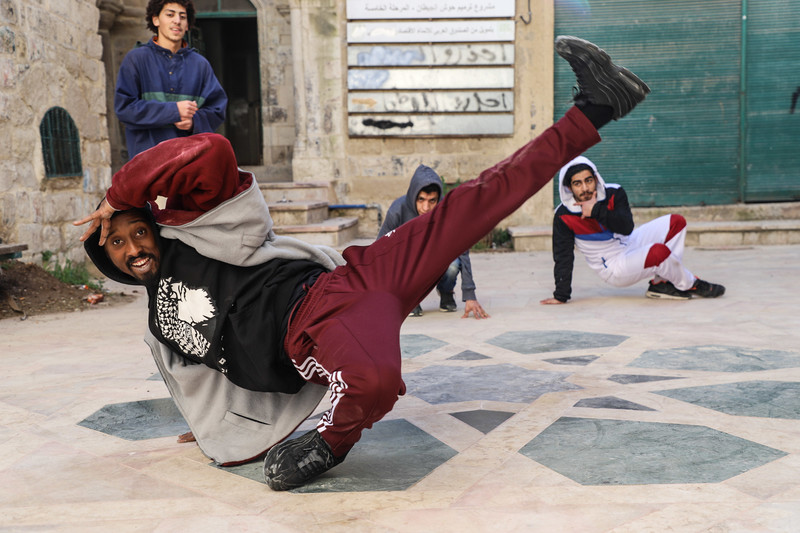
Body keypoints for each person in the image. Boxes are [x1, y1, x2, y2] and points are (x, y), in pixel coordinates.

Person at [75, 36, 648, 491]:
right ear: (113, 265)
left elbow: (212, 150)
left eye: (135, 231)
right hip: (315, 337)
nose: (132, 247)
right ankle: (331, 444)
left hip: (344, 283)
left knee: (473, 201)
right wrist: (210, 432)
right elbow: (201, 384)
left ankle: (595, 107)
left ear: (154, 225)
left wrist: (122, 190)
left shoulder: (195, 235)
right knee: (372, 379)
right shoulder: (160, 323)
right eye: (118, 247)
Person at [540, 156, 726, 305]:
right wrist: (561, 295)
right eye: (577, 183)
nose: (585, 188)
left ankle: (661, 284)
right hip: (613, 266)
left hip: (630, 241)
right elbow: (563, 255)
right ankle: (690, 284)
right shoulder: (563, 215)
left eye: (588, 180)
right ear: (569, 187)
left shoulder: (614, 192)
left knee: (676, 222)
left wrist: (596, 210)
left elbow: (627, 227)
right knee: (658, 253)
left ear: (596, 178)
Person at [114, 0, 228, 159]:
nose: (177, 21)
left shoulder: (200, 65)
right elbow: (124, 108)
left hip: (189, 162)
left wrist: (194, 122)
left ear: (187, 24)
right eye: (170, 14)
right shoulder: (136, 59)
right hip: (147, 162)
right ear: (156, 20)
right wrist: (174, 111)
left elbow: (217, 110)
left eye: (183, 16)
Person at [378, 164, 489, 319]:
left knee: (453, 264)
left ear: (439, 199)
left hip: (436, 259)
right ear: (413, 197)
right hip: (408, 264)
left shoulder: (448, 213)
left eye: (432, 201)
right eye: (421, 200)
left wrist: (470, 295)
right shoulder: (398, 210)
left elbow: (463, 251)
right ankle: (410, 298)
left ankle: (446, 292)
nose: (426, 207)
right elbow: (380, 248)